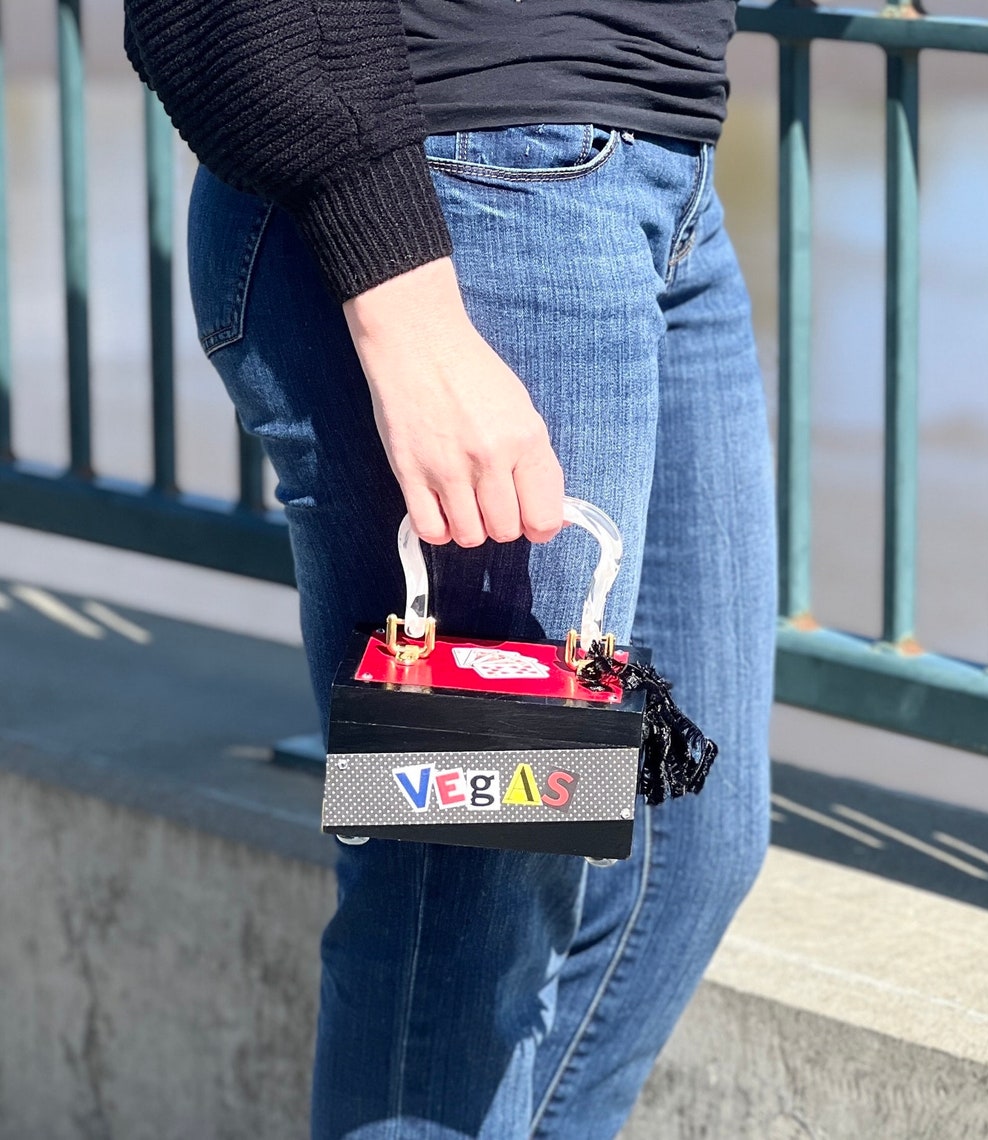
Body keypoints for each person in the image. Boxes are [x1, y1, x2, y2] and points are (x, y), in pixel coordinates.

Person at [124, 1, 777, 1136]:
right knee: (463, 916)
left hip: (660, 163)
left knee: (687, 844)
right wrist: (405, 306)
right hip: (464, 176)